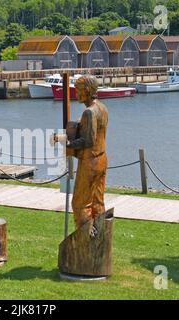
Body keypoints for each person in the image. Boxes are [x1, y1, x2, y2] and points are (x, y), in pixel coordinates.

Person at [67, 75, 108, 237]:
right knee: (97, 201)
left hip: (90, 161)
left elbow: (88, 140)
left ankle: (85, 239)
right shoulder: (102, 108)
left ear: (87, 91)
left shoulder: (89, 112)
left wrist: (67, 143)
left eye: (78, 90)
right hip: (102, 158)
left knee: (80, 203)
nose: (76, 94)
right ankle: (100, 234)